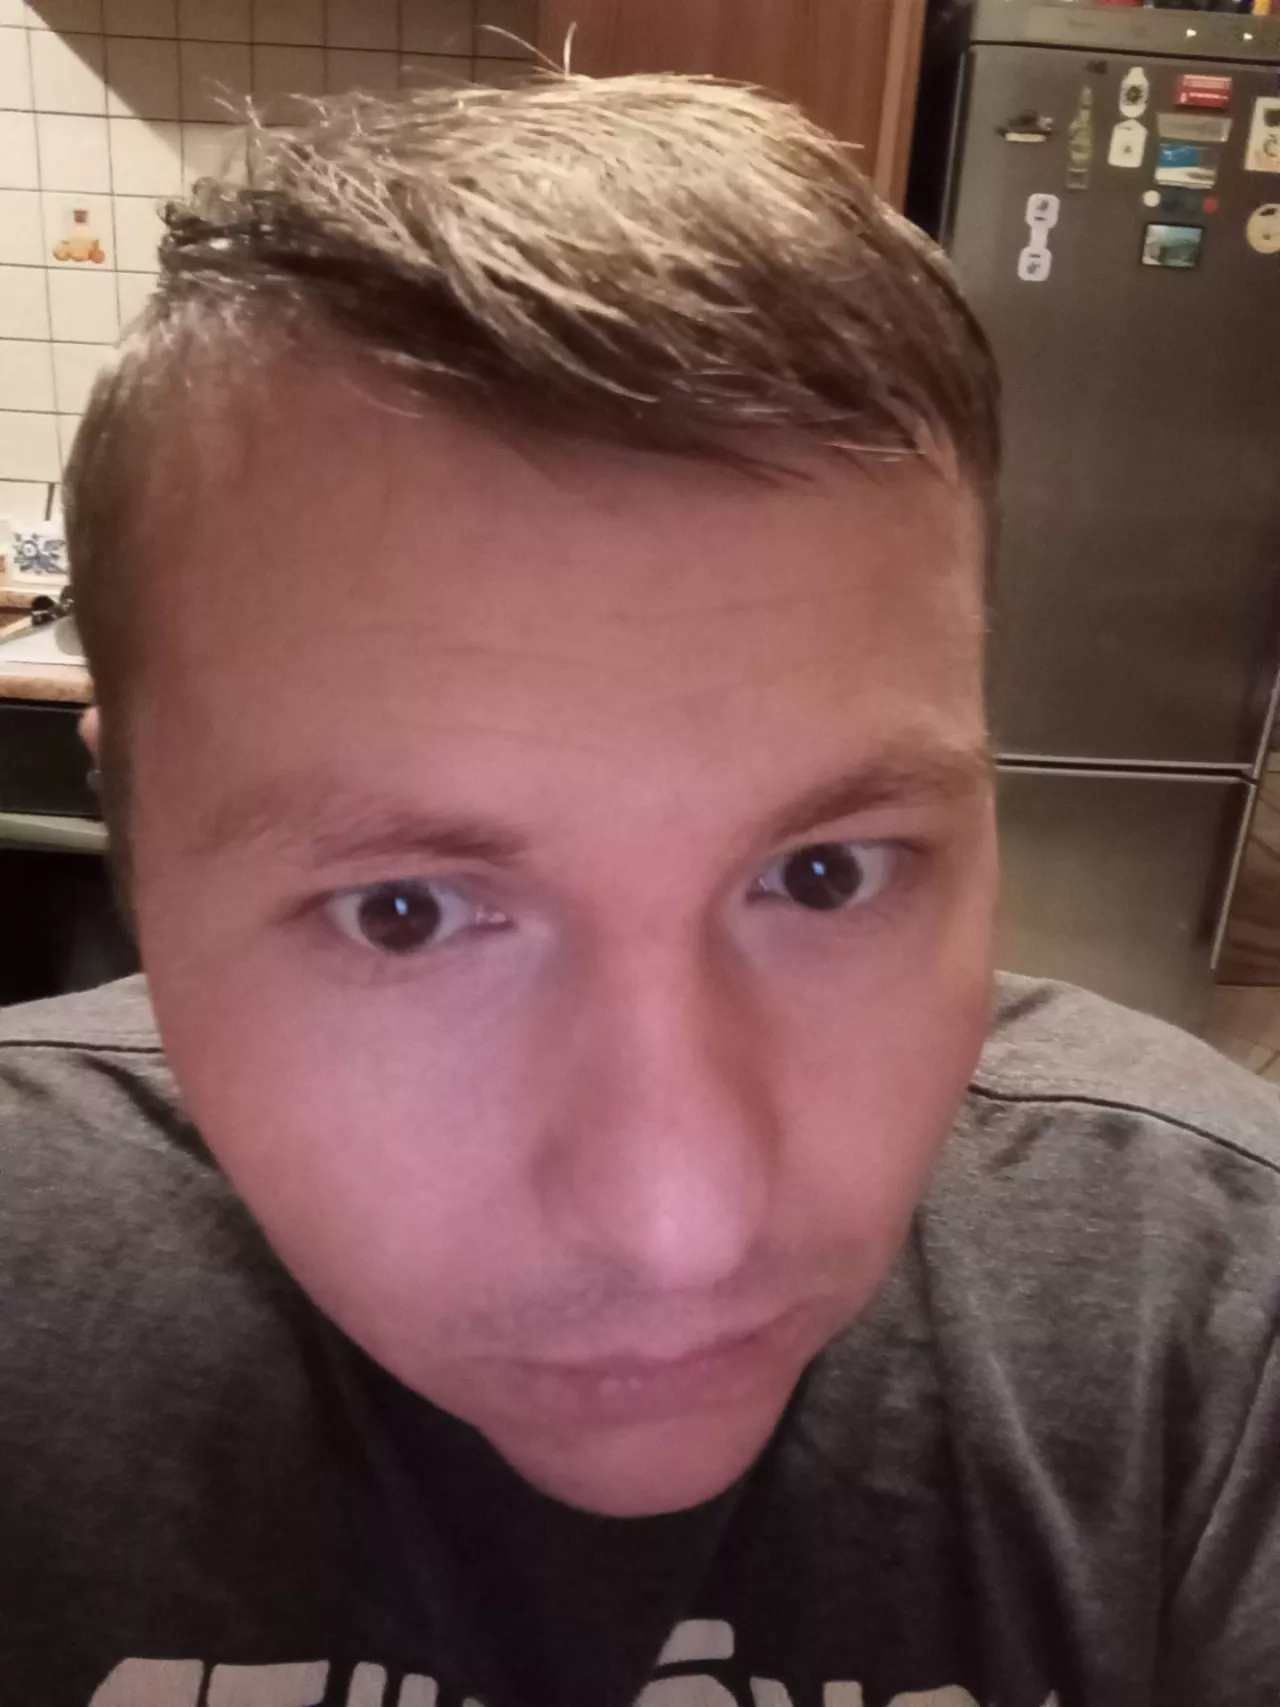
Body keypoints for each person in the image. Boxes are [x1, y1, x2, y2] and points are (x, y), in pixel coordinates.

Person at [0, 73, 1276, 1707]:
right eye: (406, 912)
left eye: (823, 875)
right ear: (132, 836)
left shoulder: (1215, 1307)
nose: (681, 1222)